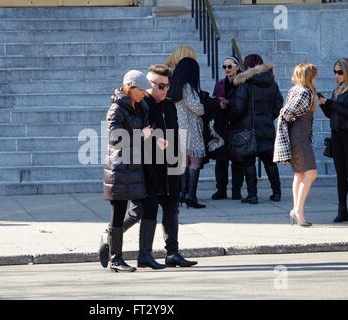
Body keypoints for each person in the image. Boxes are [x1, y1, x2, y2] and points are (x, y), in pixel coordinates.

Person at [99, 65, 197, 269]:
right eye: (159, 86)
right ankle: (114, 249)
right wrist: (145, 138)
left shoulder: (158, 105)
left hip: (159, 164)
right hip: (134, 166)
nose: (164, 90)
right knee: (133, 211)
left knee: (164, 208)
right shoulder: (130, 107)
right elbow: (120, 138)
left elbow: (159, 132)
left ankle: (166, 254)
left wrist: (167, 147)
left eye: (167, 86)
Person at [101, 70, 153, 272]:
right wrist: (142, 134)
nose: (144, 93)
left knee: (140, 208)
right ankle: (116, 259)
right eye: (140, 90)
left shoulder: (140, 107)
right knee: (118, 212)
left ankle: (108, 238)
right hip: (120, 167)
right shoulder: (116, 109)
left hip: (136, 165)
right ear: (129, 88)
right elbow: (117, 138)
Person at [231, 54, 284, 204]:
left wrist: (235, 120)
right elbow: (279, 106)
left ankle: (252, 195)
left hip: (249, 129)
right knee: (270, 162)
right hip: (267, 128)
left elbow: (238, 107)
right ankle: (277, 192)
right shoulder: (272, 83)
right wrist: (267, 117)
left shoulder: (246, 83)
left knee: (249, 162)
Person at [274, 63, 319, 227]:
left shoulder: (296, 90)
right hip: (299, 137)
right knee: (311, 173)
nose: (315, 77)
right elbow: (286, 113)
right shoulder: (304, 92)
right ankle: (298, 211)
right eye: (313, 75)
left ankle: (296, 211)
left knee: (300, 175)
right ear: (308, 76)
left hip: (298, 136)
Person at [319, 57, 348, 223]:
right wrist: (323, 104)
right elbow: (331, 114)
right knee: (341, 175)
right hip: (337, 136)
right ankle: (342, 211)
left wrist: (331, 104)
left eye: (340, 72)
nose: (337, 75)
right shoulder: (338, 90)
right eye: (335, 72)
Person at [168, 57, 206, 209]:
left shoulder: (173, 87)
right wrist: (203, 105)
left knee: (184, 162)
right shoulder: (187, 87)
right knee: (195, 162)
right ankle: (191, 195)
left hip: (178, 128)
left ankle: (183, 193)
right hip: (191, 129)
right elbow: (198, 109)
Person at [210, 56, 244, 200]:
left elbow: (243, 102)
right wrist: (219, 104)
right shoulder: (220, 84)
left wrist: (228, 103)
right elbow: (214, 100)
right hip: (222, 126)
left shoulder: (243, 83)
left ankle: (236, 190)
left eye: (229, 66)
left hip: (237, 125)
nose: (227, 69)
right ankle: (221, 189)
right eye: (224, 67)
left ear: (237, 66)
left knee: (237, 160)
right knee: (221, 160)